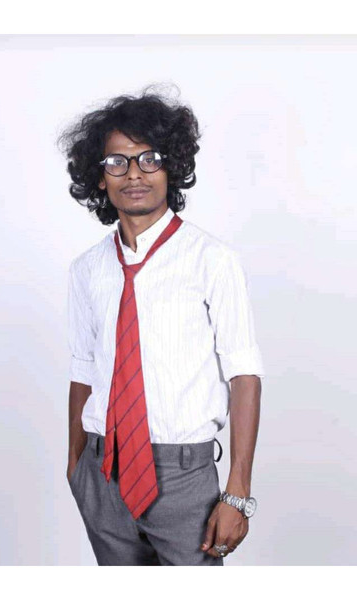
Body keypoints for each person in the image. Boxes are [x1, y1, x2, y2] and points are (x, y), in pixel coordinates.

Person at [57, 86, 265, 566]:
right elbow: (83, 369)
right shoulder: (87, 269)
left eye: (149, 159)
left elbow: (244, 375)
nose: (134, 174)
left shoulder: (212, 260)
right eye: (117, 162)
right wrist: (75, 465)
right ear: (100, 176)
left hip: (183, 476)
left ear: (172, 167)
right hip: (102, 472)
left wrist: (237, 493)